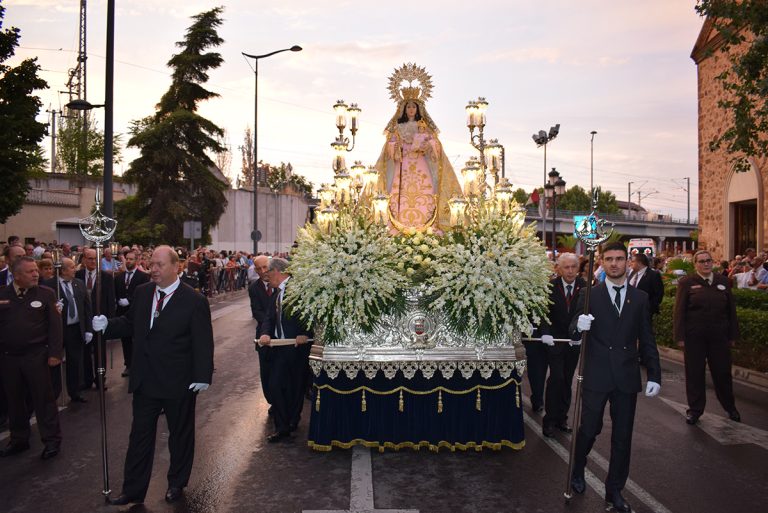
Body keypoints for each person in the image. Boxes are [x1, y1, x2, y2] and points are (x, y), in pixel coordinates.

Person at [92, 245, 214, 505]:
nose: (153, 269)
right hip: (145, 379)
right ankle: (133, 490)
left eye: (159, 265)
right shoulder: (143, 292)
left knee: (180, 435)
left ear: (175, 267)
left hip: (179, 381)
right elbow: (129, 323)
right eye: (151, 264)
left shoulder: (193, 300)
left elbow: (203, 341)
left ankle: (176, 483)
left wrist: (202, 374)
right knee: (140, 436)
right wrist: (107, 326)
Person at [569, 242, 661, 513]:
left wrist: (654, 374)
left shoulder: (640, 298)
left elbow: (646, 338)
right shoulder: (589, 295)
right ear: (602, 261)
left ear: (627, 262)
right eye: (608, 259)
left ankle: (614, 491)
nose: (614, 263)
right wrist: (578, 325)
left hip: (625, 376)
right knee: (589, 428)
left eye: (619, 259)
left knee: (622, 437)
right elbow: (573, 330)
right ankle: (577, 467)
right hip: (596, 375)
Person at [374, 72, 462, 232]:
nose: (411, 109)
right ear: (403, 109)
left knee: (426, 192)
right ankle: (396, 226)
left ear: (419, 108)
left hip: (421, 166)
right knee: (397, 192)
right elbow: (389, 146)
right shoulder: (397, 128)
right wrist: (395, 146)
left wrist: (427, 144)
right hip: (402, 166)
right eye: (408, 106)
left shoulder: (425, 128)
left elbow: (436, 146)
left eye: (414, 106)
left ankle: (428, 225)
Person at [0, 257, 63, 460]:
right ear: (16, 275)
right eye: (30, 271)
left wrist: (54, 354)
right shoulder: (3, 294)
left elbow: (55, 327)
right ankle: (19, 439)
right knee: (14, 399)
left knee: (43, 399)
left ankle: (52, 440)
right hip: (9, 358)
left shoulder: (46, 294)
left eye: (36, 270)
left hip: (36, 355)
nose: (36, 274)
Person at [674, 250, 740, 425]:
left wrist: (733, 335)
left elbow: (731, 312)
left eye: (708, 261)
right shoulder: (687, 283)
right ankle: (695, 410)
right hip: (694, 337)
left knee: (722, 373)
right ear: (695, 264)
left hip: (719, 337)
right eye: (701, 261)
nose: (705, 264)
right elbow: (679, 311)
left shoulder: (724, 281)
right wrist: (680, 336)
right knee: (694, 373)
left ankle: (730, 407)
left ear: (713, 262)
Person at [257, 258, 312, 443]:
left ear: (277, 272)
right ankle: (281, 427)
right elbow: (268, 318)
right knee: (275, 385)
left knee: (296, 387)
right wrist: (265, 334)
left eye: (269, 273)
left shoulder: (298, 290)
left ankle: (292, 421)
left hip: (297, 347)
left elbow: (310, 314)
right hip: (279, 347)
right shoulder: (276, 294)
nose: (267, 278)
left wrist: (305, 333)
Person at [539, 253, 586, 437]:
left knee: (567, 380)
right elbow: (544, 314)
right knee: (556, 378)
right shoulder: (550, 287)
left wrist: (581, 332)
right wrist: (545, 333)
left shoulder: (585, 286)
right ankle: (549, 419)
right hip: (555, 341)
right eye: (566, 267)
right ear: (558, 269)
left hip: (574, 341)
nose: (570, 271)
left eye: (574, 267)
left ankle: (562, 419)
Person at [42, 257, 93, 403]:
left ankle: (75, 391)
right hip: (58, 329)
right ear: (63, 270)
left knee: (75, 362)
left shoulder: (79, 284)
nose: (74, 269)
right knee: (55, 360)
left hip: (75, 328)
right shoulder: (49, 286)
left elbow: (86, 308)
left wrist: (88, 329)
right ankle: (54, 392)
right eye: (71, 267)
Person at [76, 247, 116, 390]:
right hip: (84, 321)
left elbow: (111, 300)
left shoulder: (106, 277)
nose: (93, 261)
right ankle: (86, 380)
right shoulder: (78, 275)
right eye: (90, 258)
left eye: (95, 259)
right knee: (85, 352)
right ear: (84, 260)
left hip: (100, 320)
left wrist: (110, 322)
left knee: (100, 352)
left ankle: (100, 380)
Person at [113, 250, 150, 378]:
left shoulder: (143, 277)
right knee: (126, 341)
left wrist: (129, 300)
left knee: (137, 340)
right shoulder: (118, 277)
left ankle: (139, 364)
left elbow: (144, 295)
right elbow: (115, 293)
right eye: (127, 259)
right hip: (123, 314)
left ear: (137, 261)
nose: (128, 261)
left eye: (131, 259)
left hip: (137, 313)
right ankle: (128, 364)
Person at [248, 255, 275, 411]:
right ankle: (271, 400)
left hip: (282, 337)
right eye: (258, 268)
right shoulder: (254, 288)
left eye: (265, 267)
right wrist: (268, 324)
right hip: (263, 337)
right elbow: (256, 311)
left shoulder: (282, 284)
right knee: (266, 371)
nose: (263, 271)